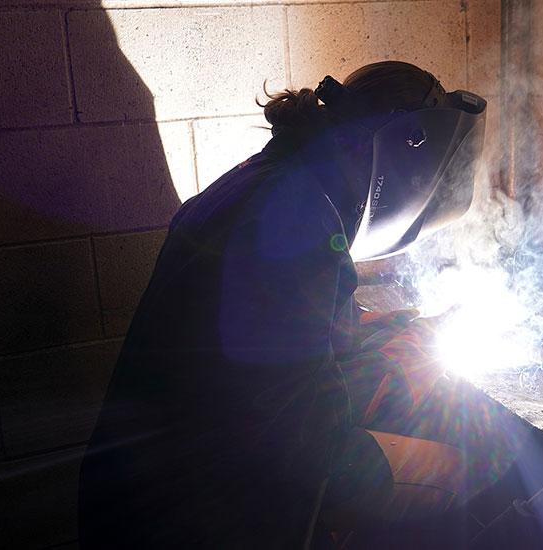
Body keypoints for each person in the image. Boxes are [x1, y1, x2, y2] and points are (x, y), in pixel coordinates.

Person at [77, 61, 489, 548]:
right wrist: (405, 370)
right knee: (462, 469)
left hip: (140, 482)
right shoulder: (300, 222)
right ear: (401, 148)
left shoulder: (271, 178)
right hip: (197, 508)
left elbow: (281, 331)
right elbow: (314, 437)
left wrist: (385, 327)